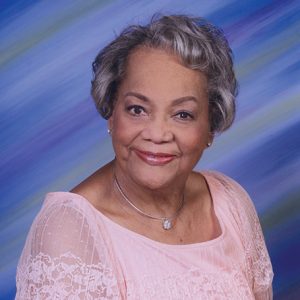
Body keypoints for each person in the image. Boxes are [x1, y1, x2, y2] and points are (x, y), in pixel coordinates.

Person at [16, 15, 273, 299]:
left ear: (210, 127)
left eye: (182, 114)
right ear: (111, 112)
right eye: (138, 109)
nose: (157, 134)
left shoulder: (230, 202)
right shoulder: (70, 230)